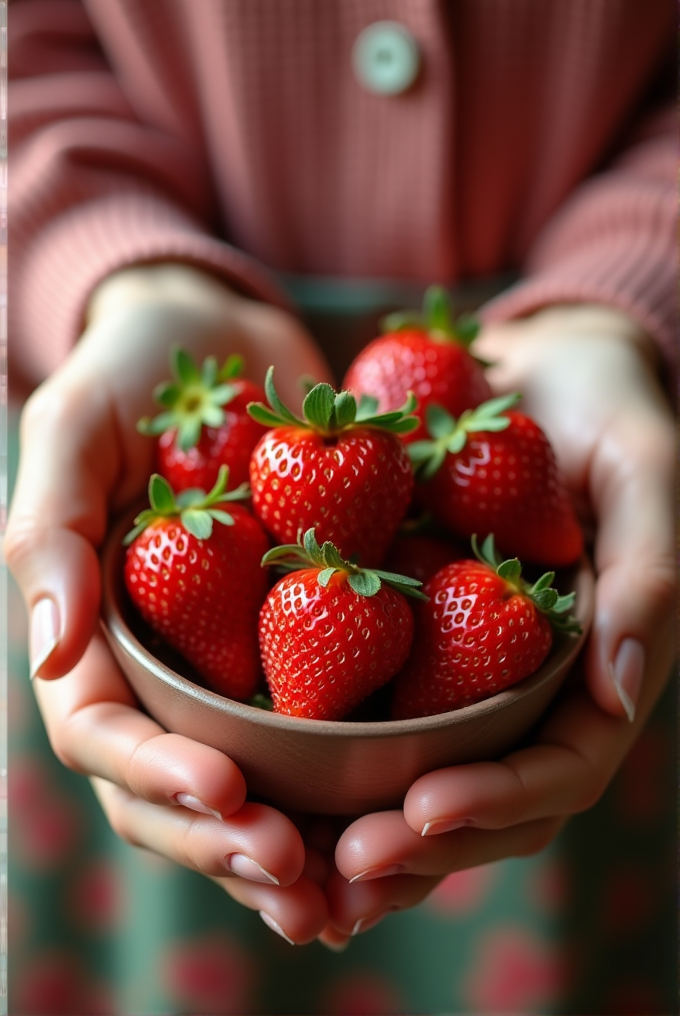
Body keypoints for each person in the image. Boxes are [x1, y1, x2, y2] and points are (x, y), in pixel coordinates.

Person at [6, 0, 676, 997]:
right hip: (146, 441)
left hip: (585, 438)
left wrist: (628, 288)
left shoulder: (431, 502)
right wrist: (115, 265)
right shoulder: (291, 517)